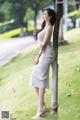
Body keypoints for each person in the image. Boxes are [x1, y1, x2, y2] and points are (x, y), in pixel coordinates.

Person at [31, 8, 56, 119]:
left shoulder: (49, 27)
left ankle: (40, 109)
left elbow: (43, 44)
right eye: (44, 13)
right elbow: (41, 44)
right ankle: (43, 105)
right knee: (34, 78)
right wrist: (38, 41)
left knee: (40, 80)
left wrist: (38, 55)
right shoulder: (44, 27)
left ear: (49, 16)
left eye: (45, 14)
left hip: (48, 54)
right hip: (44, 54)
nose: (43, 15)